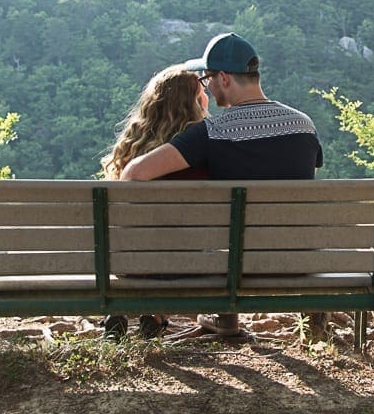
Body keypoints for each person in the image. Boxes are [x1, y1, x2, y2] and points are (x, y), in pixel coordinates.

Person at [121, 32, 323, 336]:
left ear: (224, 78)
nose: (206, 85)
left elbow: (133, 174)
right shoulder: (304, 125)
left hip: (232, 268)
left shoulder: (210, 132)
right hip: (296, 261)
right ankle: (316, 330)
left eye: (207, 78)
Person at [99, 65, 209, 339]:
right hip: (186, 266)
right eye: (203, 92)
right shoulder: (202, 150)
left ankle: (123, 310)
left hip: (132, 263)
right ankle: (155, 314)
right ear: (195, 102)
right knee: (177, 239)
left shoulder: (131, 150)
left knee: (140, 239)